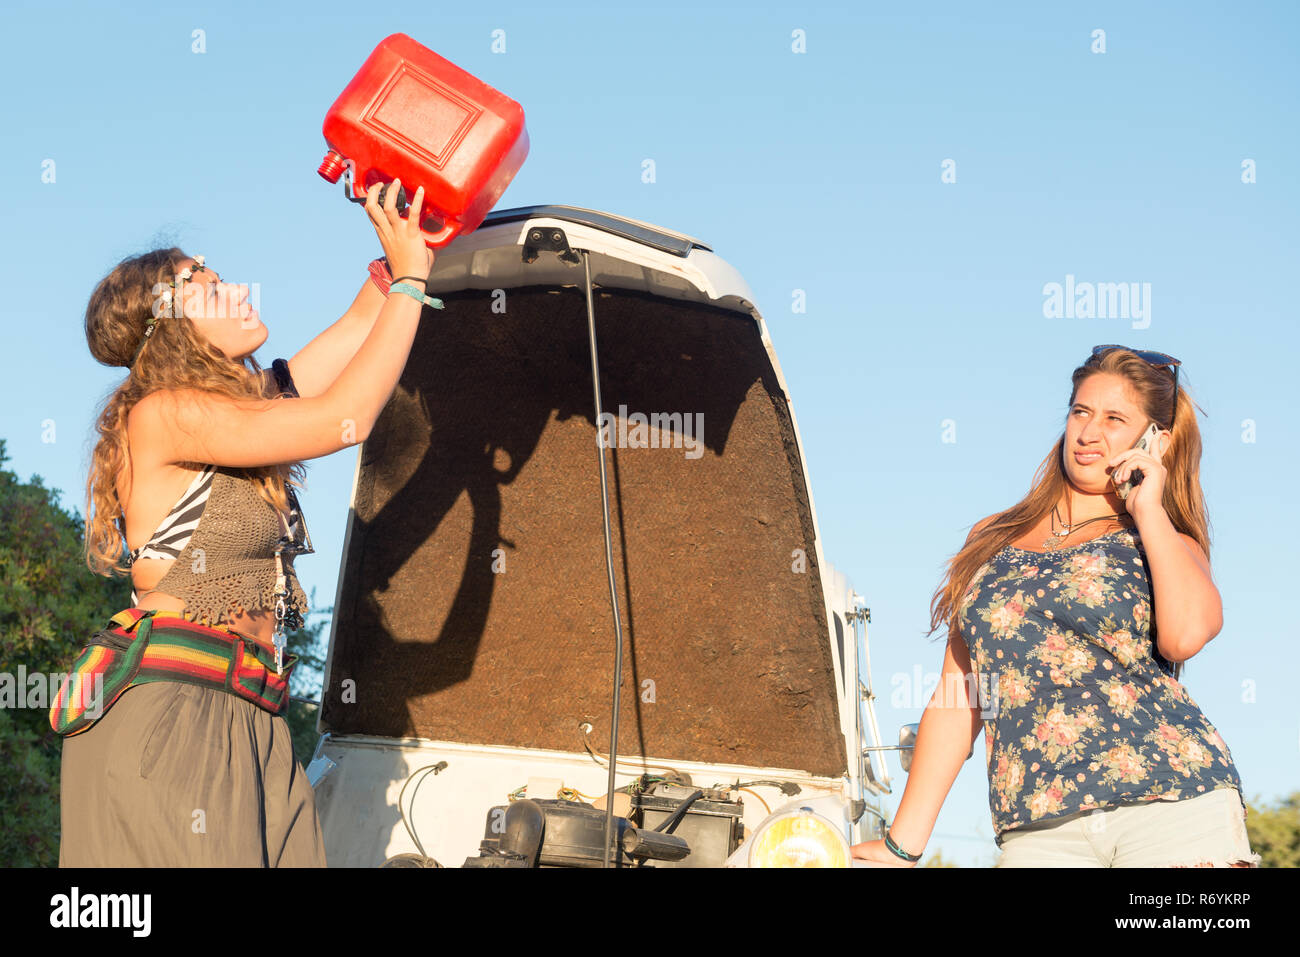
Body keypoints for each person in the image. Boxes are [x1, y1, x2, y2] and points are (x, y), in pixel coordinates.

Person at [54, 178, 438, 866]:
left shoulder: (229, 411)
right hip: (178, 715)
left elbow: (348, 340)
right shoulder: (164, 414)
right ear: (170, 327)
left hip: (249, 714)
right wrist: (412, 282)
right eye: (207, 284)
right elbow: (342, 417)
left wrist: (399, 245)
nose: (235, 289)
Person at [851, 345, 1260, 868]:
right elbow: (960, 696)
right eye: (1080, 412)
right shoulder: (993, 539)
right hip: (1039, 828)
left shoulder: (1163, 540)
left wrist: (1149, 508)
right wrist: (899, 846)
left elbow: (1183, 638)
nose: (1089, 433)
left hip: (1172, 805)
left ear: (1155, 439)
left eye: (1116, 419)